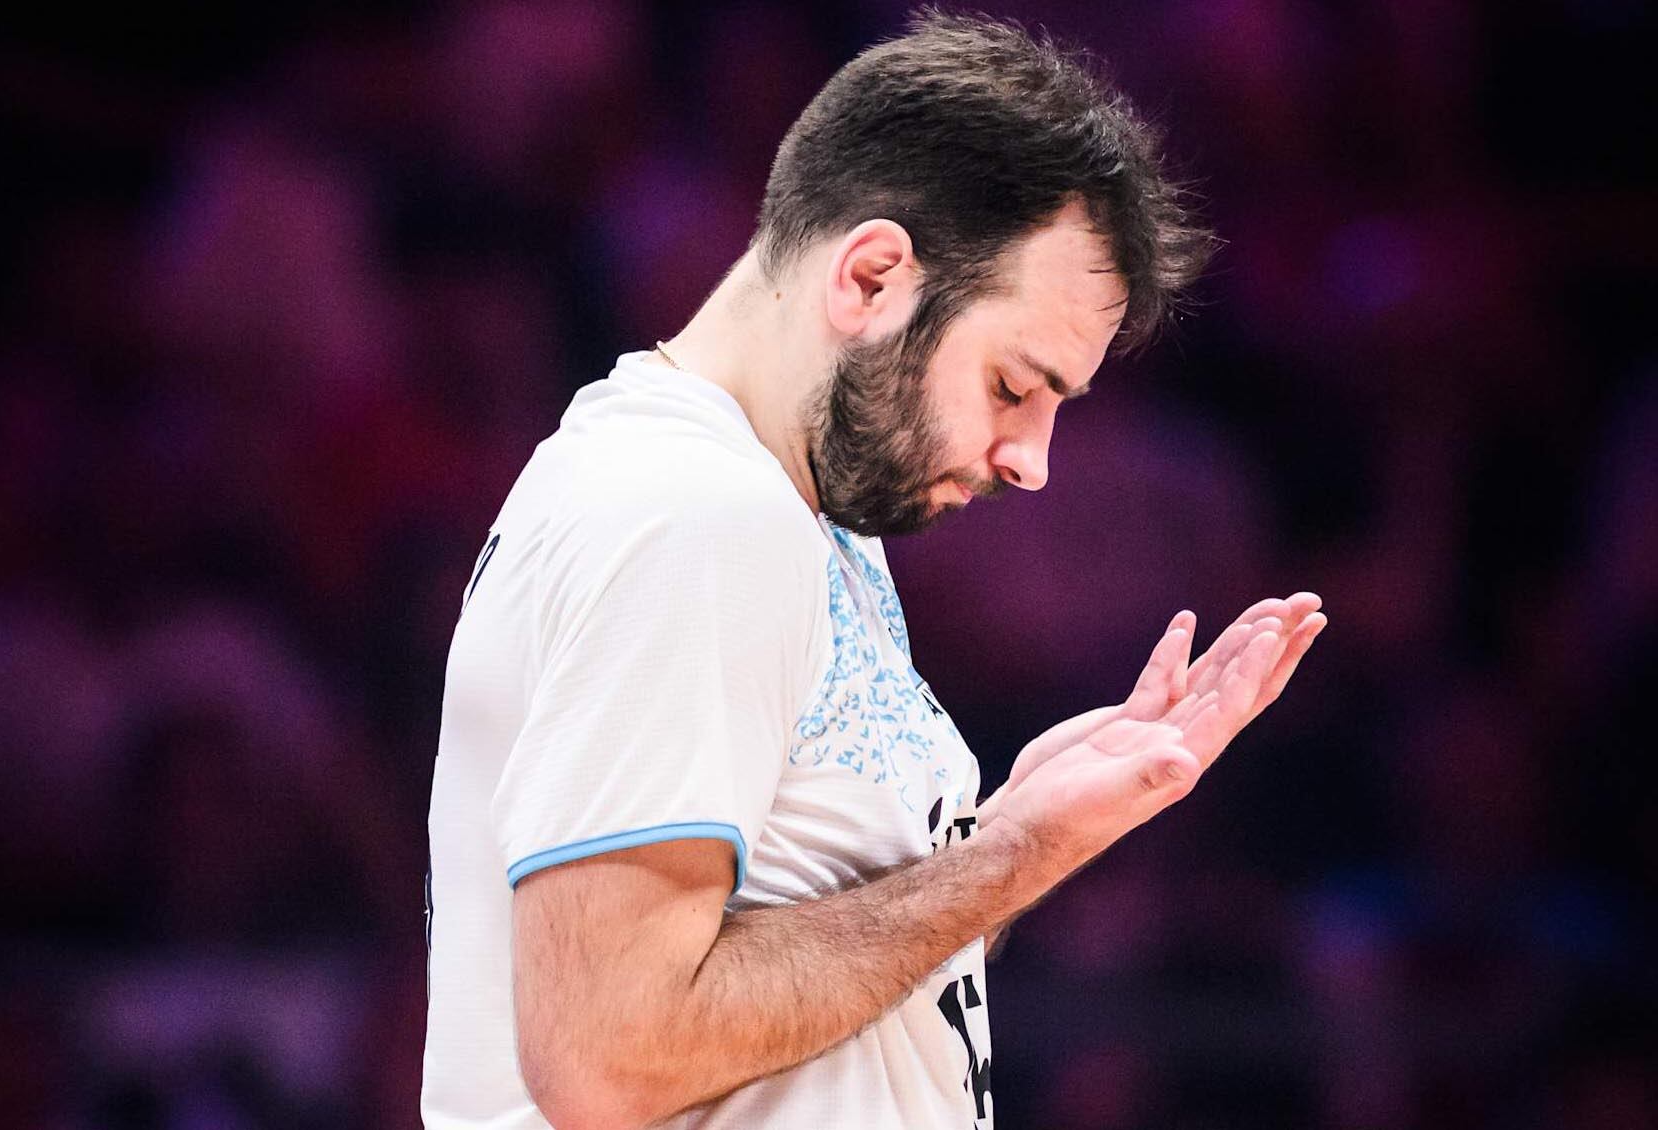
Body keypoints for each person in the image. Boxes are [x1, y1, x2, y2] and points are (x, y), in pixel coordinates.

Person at [421, 11, 1326, 1129]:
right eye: (1011, 384)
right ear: (870, 276)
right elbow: (612, 1050)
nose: (1031, 463)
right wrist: (1004, 855)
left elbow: (814, 981)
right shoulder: (691, 513)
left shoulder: (804, 520)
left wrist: (1022, 838)